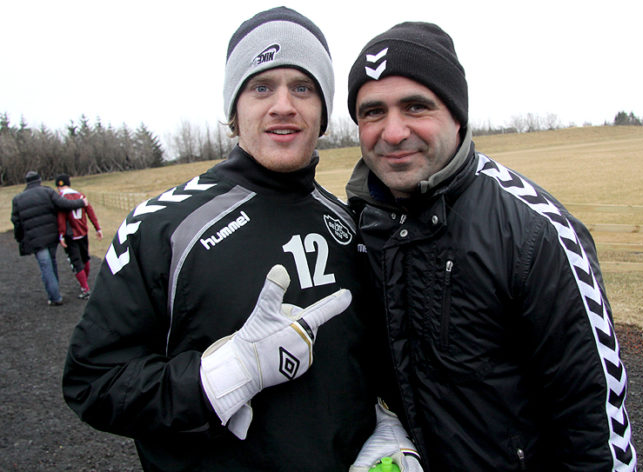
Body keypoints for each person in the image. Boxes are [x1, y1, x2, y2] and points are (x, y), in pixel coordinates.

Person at [62, 7, 419, 472]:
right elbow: (93, 382)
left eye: (303, 88)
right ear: (234, 108)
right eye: (261, 87)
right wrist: (219, 379)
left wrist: (387, 422)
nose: (283, 105)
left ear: (323, 112)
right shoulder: (162, 228)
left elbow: (368, 363)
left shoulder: (352, 225)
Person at [345, 22, 637, 471]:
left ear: (457, 115)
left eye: (416, 106)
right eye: (373, 112)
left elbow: (594, 423)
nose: (394, 131)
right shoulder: (358, 226)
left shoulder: (533, 232)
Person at [11, 170, 87, 306]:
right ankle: (55, 292)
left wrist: (19, 238)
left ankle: (55, 296)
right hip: (51, 235)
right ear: (39, 180)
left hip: (35, 238)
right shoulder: (47, 192)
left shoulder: (18, 199)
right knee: (52, 262)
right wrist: (81, 202)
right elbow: (64, 204)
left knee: (45, 266)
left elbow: (17, 223)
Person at [55, 173, 103, 299]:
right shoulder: (81, 195)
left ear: (58, 186)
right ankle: (84, 282)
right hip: (83, 232)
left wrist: (61, 235)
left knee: (76, 262)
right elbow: (90, 212)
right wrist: (97, 228)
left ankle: (85, 288)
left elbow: (61, 218)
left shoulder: (61, 198)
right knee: (85, 258)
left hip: (71, 235)